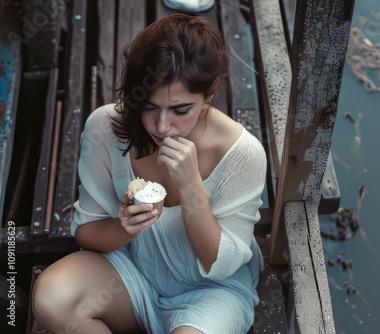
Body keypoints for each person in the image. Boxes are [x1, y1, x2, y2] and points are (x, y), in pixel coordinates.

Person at [31, 14, 267, 334]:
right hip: (132, 274)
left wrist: (192, 187)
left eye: (180, 109)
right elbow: (85, 233)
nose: (161, 126)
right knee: (51, 297)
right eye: (149, 106)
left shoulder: (242, 155)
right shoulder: (105, 128)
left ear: (210, 92)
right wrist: (124, 228)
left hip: (210, 294)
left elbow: (219, 266)